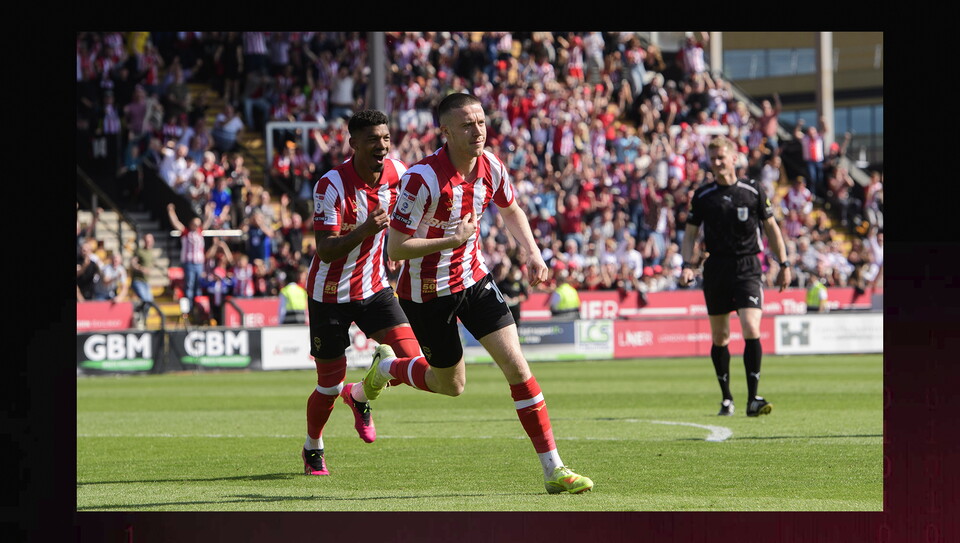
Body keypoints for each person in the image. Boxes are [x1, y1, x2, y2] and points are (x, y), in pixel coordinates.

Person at [383, 93, 593, 494]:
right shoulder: (421, 179)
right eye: (467, 124)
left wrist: (532, 251)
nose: (477, 130)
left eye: (480, 122)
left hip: (475, 281)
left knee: (517, 367)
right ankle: (388, 368)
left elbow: (511, 208)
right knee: (451, 385)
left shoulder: (491, 165)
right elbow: (395, 248)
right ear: (445, 132)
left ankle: (554, 469)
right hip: (426, 294)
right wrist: (451, 239)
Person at [301, 109, 427, 476]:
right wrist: (365, 230)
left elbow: (409, 220)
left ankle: (359, 395)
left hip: (374, 288)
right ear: (353, 144)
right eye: (373, 140)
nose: (382, 146)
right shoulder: (331, 185)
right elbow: (324, 249)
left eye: (386, 138)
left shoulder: (400, 174)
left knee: (412, 363)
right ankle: (313, 447)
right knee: (327, 386)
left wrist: (395, 251)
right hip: (328, 295)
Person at [680, 136, 790, 417]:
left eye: (721, 157)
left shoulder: (752, 190)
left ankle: (753, 398)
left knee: (751, 327)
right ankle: (726, 398)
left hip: (748, 267)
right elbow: (691, 233)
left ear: (733, 158)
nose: (716, 163)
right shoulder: (703, 195)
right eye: (712, 158)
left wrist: (784, 262)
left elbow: (771, 229)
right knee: (720, 336)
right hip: (716, 268)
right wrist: (686, 263)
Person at [167, 202, 214, 313]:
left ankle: (198, 308)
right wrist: (171, 212)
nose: (196, 226)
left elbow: (208, 221)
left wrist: (209, 210)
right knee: (189, 285)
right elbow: (176, 223)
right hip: (188, 263)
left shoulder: (200, 232)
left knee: (198, 286)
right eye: (195, 224)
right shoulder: (186, 233)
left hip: (198, 263)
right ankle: (189, 308)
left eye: (198, 224)